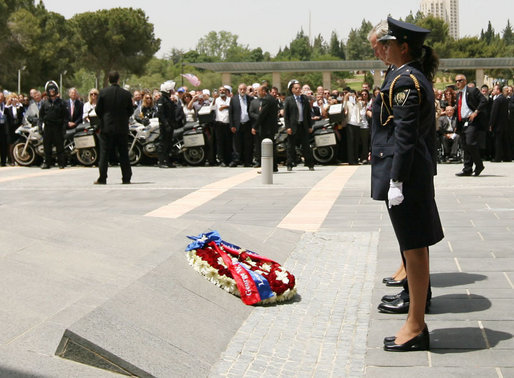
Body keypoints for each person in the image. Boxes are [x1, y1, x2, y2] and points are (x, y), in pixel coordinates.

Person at [372, 17, 444, 352]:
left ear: (403, 47)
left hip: (407, 176)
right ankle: (415, 321)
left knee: (414, 250)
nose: (383, 48)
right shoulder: (406, 76)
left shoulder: (405, 81)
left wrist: (397, 180)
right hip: (410, 174)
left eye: (388, 43)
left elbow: (405, 134)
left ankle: (416, 325)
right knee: (413, 247)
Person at [94, 71, 133, 184]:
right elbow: (130, 110)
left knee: (104, 153)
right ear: (118, 79)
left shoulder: (103, 92)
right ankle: (126, 178)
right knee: (123, 153)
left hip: (107, 127)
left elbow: (98, 110)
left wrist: (104, 118)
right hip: (122, 127)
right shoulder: (126, 94)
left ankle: (102, 178)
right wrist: (123, 118)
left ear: (109, 80)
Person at [454, 74, 487, 176]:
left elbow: (483, 100)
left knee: (470, 143)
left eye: (460, 80)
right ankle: (467, 168)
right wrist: (457, 124)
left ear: (465, 81)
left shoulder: (472, 91)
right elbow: (459, 109)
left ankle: (479, 165)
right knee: (465, 145)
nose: (457, 83)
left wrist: (476, 112)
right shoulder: (458, 94)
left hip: (472, 121)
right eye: (456, 81)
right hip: (462, 122)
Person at [284, 80, 315, 171]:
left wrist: (310, 126)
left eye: (299, 88)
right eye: (296, 88)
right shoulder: (289, 100)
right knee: (291, 146)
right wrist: (288, 127)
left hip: (303, 125)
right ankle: (290, 164)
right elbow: (286, 115)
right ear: (292, 90)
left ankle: (310, 164)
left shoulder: (304, 99)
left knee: (306, 146)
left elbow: (308, 114)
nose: (298, 90)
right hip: (293, 126)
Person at [39, 81, 68, 169]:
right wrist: (40, 127)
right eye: (50, 89)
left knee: (60, 146)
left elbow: (65, 116)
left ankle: (61, 163)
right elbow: (41, 116)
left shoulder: (62, 103)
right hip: (48, 127)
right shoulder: (44, 103)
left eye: (53, 89)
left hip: (58, 127)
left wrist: (64, 127)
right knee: (47, 146)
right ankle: (47, 163)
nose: (52, 91)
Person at [252, 84, 278, 172]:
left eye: (259, 91)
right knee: (271, 147)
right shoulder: (272, 99)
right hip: (271, 128)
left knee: (266, 149)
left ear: (263, 91)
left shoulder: (266, 100)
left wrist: (255, 126)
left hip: (266, 129)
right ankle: (274, 167)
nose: (258, 93)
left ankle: (267, 167)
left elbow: (262, 115)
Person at [229, 83, 254, 167]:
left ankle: (247, 161)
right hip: (237, 125)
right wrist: (232, 125)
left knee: (248, 144)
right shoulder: (234, 99)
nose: (242, 91)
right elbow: (231, 113)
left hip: (247, 124)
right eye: (241, 89)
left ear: (246, 90)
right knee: (236, 144)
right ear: (238, 90)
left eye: (244, 89)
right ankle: (236, 160)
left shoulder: (250, 99)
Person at [156, 80, 178, 168]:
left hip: (170, 125)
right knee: (163, 143)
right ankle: (161, 161)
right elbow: (160, 114)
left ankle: (168, 161)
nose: (172, 91)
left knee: (169, 143)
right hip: (164, 126)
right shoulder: (161, 99)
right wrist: (166, 124)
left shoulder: (168, 99)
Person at [489, 84, 512, 162]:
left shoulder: (497, 100)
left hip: (498, 124)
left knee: (498, 141)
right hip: (505, 124)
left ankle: (497, 157)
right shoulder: (505, 99)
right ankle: (507, 157)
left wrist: (491, 124)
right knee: (505, 141)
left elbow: (494, 113)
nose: (493, 91)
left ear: (498, 90)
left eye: (494, 89)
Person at [213, 86, 232, 167]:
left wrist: (225, 106)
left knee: (228, 143)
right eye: (220, 90)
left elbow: (232, 107)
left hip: (228, 124)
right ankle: (221, 160)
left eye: (223, 90)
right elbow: (212, 108)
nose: (222, 92)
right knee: (220, 143)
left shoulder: (230, 99)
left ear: (226, 91)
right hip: (219, 124)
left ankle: (228, 160)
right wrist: (214, 98)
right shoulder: (217, 100)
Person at [0, 92, 8, 166]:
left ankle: (3, 161)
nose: (0, 98)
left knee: (3, 144)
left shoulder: (5, 105)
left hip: (3, 126)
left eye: (2, 97)